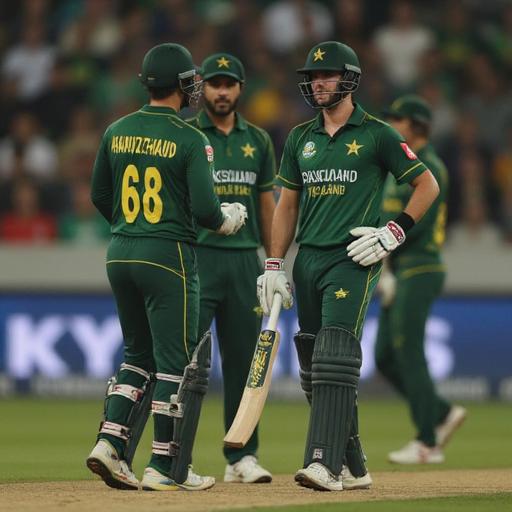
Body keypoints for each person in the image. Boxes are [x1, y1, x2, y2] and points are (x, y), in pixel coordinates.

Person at [257, 41, 440, 491]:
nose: (317, 83)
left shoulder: (377, 133)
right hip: (308, 260)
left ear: (350, 80)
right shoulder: (300, 137)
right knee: (312, 364)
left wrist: (393, 233)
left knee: (335, 356)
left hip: (354, 256)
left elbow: (427, 185)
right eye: (313, 77)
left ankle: (321, 462)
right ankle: (354, 466)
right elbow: (286, 207)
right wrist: (275, 264)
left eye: (327, 76)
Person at [85, 43, 248, 492]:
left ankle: (110, 444)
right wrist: (231, 218)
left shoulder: (116, 130)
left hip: (120, 251)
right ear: (180, 85)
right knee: (174, 362)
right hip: (169, 257)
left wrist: (131, 225)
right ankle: (165, 466)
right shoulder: (190, 137)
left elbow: (100, 195)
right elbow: (206, 211)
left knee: (136, 355)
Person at [188, 53, 276, 483]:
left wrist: (273, 262)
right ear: (201, 88)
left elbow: (267, 204)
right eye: (214, 84)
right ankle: (175, 454)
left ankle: (241, 456)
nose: (221, 92)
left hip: (245, 261)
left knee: (245, 364)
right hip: (198, 257)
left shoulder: (258, 140)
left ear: (241, 89)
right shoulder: (186, 134)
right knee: (185, 362)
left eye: (229, 84)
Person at [375, 94, 467, 464]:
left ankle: (427, 440)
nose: (391, 125)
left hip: (421, 266)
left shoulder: (431, 167)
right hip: (398, 269)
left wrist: (382, 251)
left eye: (397, 120)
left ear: (417, 126)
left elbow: (416, 225)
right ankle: (442, 412)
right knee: (384, 356)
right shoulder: (398, 165)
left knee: (410, 351)